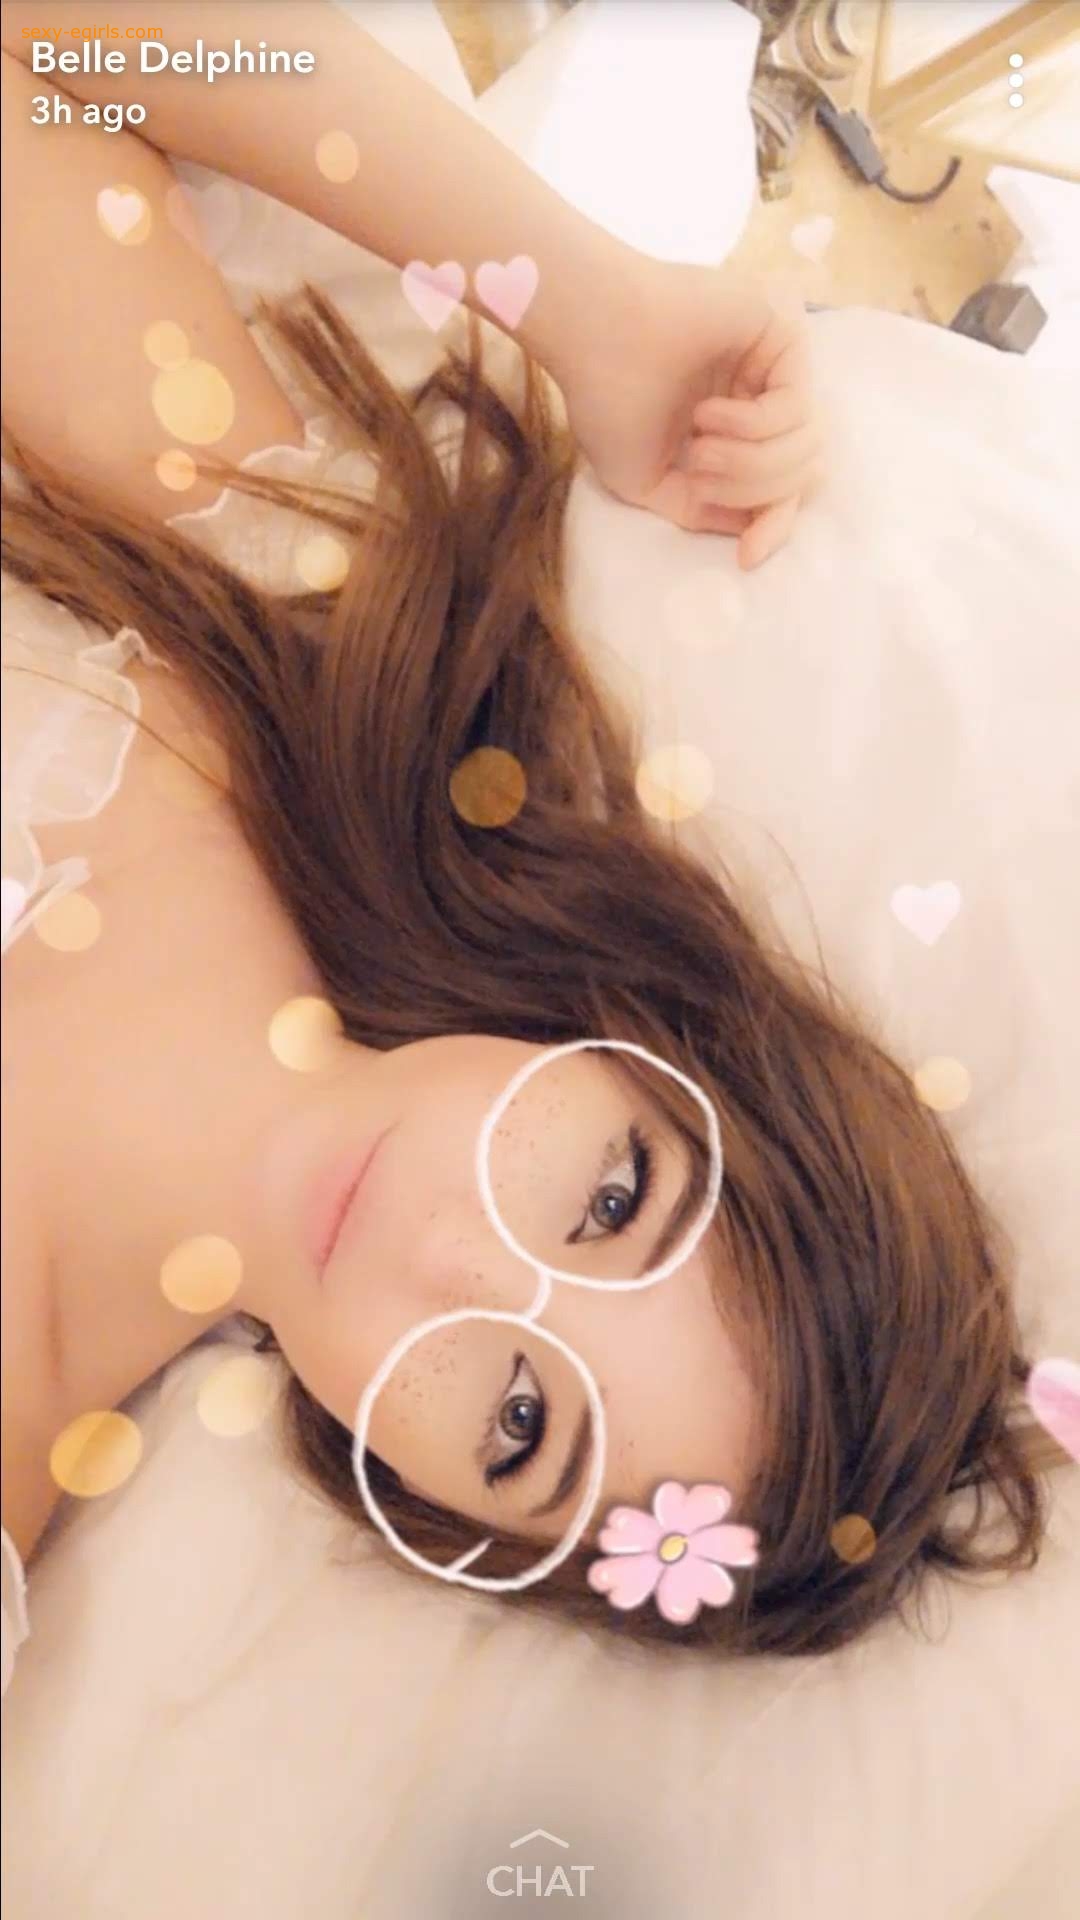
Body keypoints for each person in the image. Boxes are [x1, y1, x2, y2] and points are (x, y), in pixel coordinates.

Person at [0, 2, 1071, 1693]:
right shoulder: (263, 664)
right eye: (612, 1195)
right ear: (648, 1047)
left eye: (520, 1423)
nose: (449, 1258)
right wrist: (589, 301)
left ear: (457, 1520)